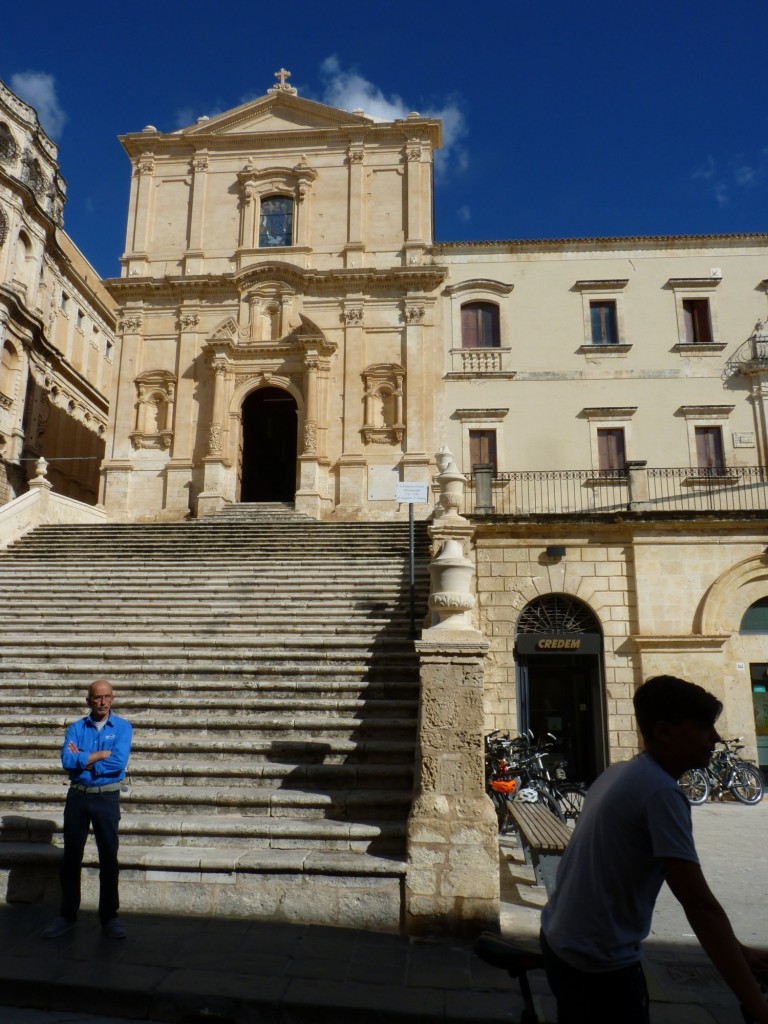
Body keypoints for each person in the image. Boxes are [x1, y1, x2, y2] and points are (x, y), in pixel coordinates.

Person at [540, 674, 768, 1024]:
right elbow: (700, 907)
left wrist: (739, 952)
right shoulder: (660, 792)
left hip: (561, 940)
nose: (715, 738)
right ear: (664, 732)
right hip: (595, 963)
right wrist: (757, 1005)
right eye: (704, 727)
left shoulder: (620, 772)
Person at [42, 679, 133, 940]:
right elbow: (67, 761)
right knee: (71, 857)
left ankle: (109, 917)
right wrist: (96, 756)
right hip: (78, 797)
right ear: (88, 701)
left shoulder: (123, 727)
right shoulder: (76, 728)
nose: (103, 702)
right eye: (97, 697)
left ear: (112, 699)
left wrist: (83, 759)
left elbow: (117, 762)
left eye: (107, 697)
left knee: (108, 857)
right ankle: (67, 914)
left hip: (106, 797)